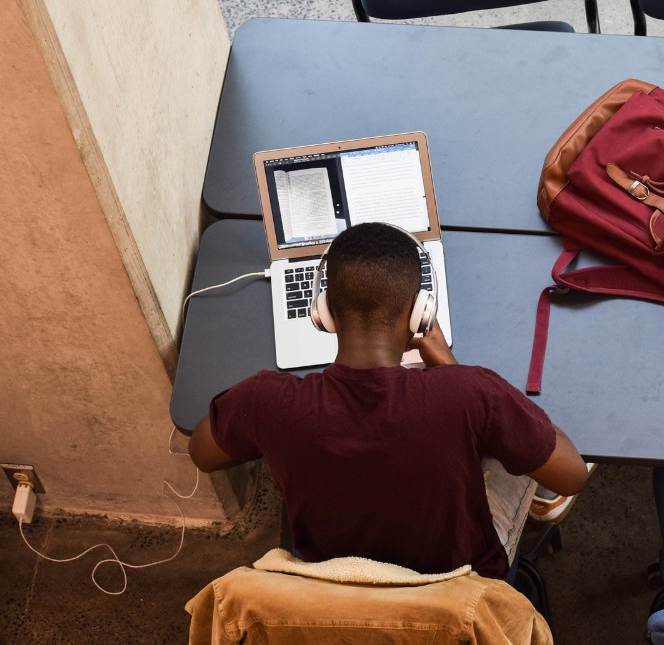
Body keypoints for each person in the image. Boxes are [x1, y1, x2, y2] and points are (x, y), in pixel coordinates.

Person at [188, 222, 590, 579]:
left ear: (324, 312)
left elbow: (204, 452)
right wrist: (452, 371)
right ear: (419, 312)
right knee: (511, 440)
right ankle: (542, 504)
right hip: (459, 589)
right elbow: (570, 475)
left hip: (338, 583)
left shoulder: (266, 402)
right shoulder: (471, 393)